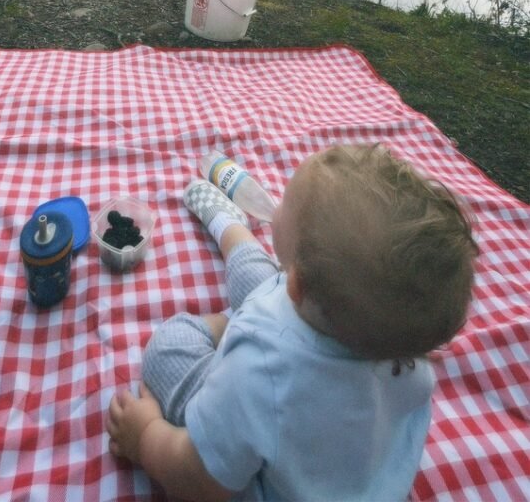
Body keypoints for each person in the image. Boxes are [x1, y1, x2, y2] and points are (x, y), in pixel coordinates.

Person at [106, 144, 478, 502]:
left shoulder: (261, 373)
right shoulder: (400, 344)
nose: (275, 202)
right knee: (260, 279)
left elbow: (201, 478)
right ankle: (228, 226)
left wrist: (145, 437)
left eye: (285, 201)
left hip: (259, 477)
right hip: (341, 455)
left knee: (169, 347)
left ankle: (230, 303)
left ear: (296, 285)